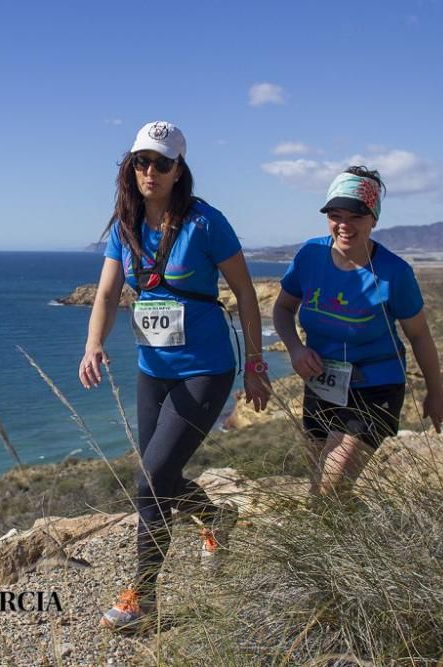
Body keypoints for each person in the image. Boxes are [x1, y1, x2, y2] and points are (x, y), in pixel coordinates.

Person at [79, 121, 271, 631]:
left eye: (161, 163)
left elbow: (247, 296)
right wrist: (93, 344)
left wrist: (255, 364)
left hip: (206, 370)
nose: (150, 171)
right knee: (160, 480)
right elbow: (104, 294)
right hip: (153, 371)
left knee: (150, 482)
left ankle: (141, 597)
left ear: (178, 169)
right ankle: (214, 518)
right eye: (142, 161)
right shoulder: (126, 225)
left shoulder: (207, 223)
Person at [272, 166, 443, 501]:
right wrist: (295, 349)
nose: (344, 225)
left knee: (332, 482)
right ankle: (350, 544)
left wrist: (435, 392)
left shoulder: (394, 273)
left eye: (355, 216)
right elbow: (282, 310)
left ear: (373, 219)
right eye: (335, 215)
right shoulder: (310, 255)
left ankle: (350, 547)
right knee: (320, 486)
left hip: (376, 386)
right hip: (322, 382)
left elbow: (420, 335)